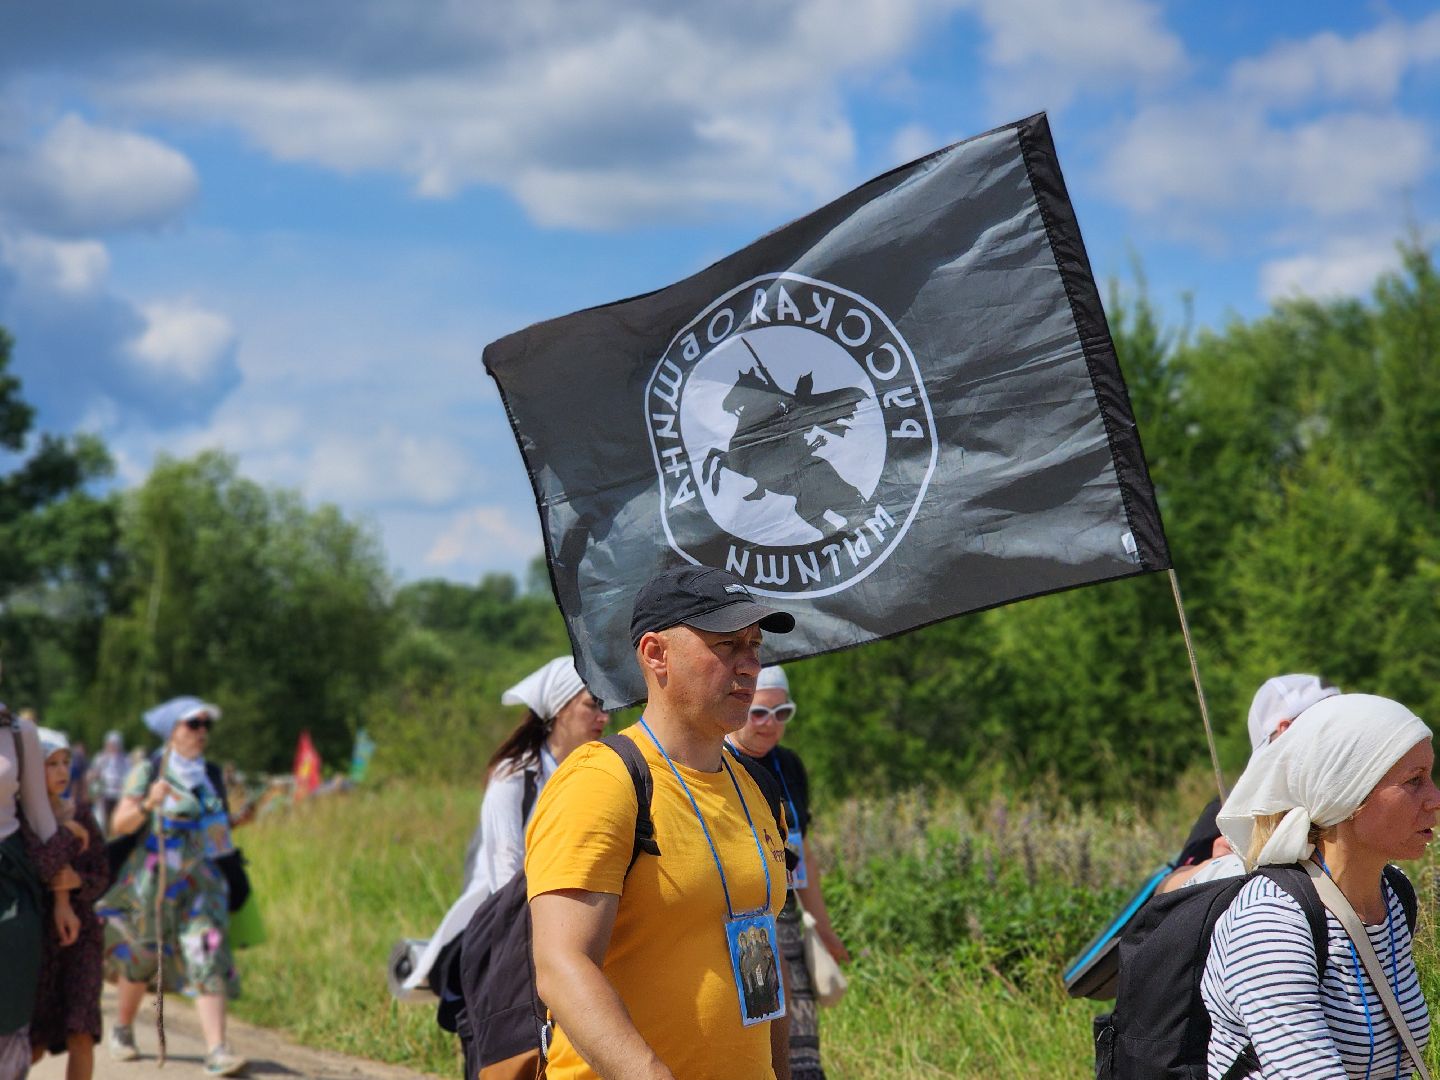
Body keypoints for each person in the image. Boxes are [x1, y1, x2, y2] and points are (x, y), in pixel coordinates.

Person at [527, 565, 797, 1080]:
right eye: (727, 646)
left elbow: (761, 961)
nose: (749, 666)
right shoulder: (603, 781)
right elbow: (561, 967)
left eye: (755, 645)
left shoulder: (759, 787)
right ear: (656, 654)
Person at [1202, 693, 1437, 1078]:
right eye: (1414, 781)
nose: (1435, 799)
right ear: (1347, 795)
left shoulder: (1393, 896)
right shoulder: (1272, 921)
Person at [401, 656, 608, 998]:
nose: (604, 717)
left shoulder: (590, 772)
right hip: (506, 926)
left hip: (559, 921)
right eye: (592, 705)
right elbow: (505, 870)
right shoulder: (513, 775)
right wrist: (531, 942)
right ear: (559, 709)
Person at [98, 697, 246, 1077]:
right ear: (172, 731)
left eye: (204, 726)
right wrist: (149, 802)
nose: (201, 733)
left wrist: (236, 826)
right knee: (143, 956)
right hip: (153, 884)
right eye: (192, 725)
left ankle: (217, 1050)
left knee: (207, 951)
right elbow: (121, 823)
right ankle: (123, 1028)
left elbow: (217, 831)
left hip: (203, 886)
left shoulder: (211, 774)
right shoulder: (149, 769)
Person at [725, 664, 848, 1080]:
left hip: (788, 915)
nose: (770, 724)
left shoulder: (789, 765)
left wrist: (826, 930)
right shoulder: (720, 763)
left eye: (782, 713)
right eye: (760, 712)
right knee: (759, 1037)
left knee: (801, 1042)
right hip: (746, 920)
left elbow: (803, 850)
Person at [1159, 673, 1338, 893]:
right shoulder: (1231, 806)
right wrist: (1215, 865)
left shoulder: (1349, 790)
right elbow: (1165, 889)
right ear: (1285, 729)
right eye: (1328, 722)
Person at [28, 727, 109, 1080]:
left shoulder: (83, 813)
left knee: (81, 1031)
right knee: (32, 1041)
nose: (62, 772)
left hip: (82, 938)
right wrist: (64, 834)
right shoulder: (17, 821)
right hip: (37, 939)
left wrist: (80, 884)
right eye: (51, 764)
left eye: (66, 762)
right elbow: (41, 867)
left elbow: (102, 872)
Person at [88, 732, 129, 834]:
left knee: (116, 819)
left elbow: (128, 775)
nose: (113, 747)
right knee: (104, 819)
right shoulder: (101, 758)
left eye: (115, 744)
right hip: (105, 793)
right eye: (111, 744)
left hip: (119, 794)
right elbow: (92, 774)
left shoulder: (125, 759)